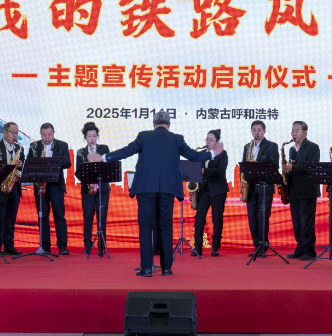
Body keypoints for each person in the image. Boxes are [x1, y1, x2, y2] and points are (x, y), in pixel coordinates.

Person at [88, 110, 219, 277]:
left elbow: (126, 151)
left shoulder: (144, 136)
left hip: (146, 188)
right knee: (166, 227)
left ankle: (147, 268)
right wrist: (213, 153)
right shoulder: (177, 138)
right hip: (167, 189)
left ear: (153, 123)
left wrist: (103, 157)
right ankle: (166, 268)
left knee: (146, 227)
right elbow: (193, 156)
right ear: (169, 125)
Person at [28, 123, 72, 255]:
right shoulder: (34, 146)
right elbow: (29, 162)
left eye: (49, 134)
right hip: (40, 184)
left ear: (53, 133)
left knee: (59, 216)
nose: (47, 137)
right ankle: (45, 247)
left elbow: (67, 163)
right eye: (44, 135)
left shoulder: (62, 145)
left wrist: (52, 162)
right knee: (42, 217)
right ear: (40, 134)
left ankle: (62, 247)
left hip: (56, 184)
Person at [0, 122, 24, 255]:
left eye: (17, 132)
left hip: (14, 187)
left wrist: (21, 165)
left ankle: (9, 245)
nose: (15, 135)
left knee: (11, 219)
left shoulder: (19, 148)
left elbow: (23, 168)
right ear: (5, 132)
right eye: (13, 132)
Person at [283, 120, 321, 261]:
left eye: (297, 130)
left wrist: (293, 167)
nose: (294, 133)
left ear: (305, 132)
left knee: (306, 221)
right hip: (294, 189)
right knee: (297, 221)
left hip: (307, 190)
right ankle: (300, 248)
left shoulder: (313, 147)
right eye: (293, 130)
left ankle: (309, 251)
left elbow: (311, 166)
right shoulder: (292, 149)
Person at [242, 120, 278, 255]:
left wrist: (257, 164)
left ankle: (263, 246)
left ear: (264, 131)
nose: (256, 132)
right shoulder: (247, 146)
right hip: (251, 187)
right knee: (252, 218)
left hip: (265, 187)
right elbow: (243, 166)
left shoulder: (272, 146)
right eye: (254, 130)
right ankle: (256, 246)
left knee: (262, 217)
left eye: (259, 130)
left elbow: (274, 165)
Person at [75, 122, 111, 256]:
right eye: (89, 136)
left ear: (97, 136)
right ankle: (87, 245)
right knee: (88, 216)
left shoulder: (104, 149)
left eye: (94, 136)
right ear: (85, 137)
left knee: (102, 217)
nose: (92, 139)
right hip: (87, 189)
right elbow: (78, 172)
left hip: (102, 188)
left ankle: (102, 245)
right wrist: (88, 179)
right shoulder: (80, 152)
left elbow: (109, 165)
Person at [193, 128, 228, 257]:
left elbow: (220, 171)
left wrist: (204, 171)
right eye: (207, 139)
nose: (208, 142)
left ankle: (215, 247)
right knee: (199, 217)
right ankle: (197, 246)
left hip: (218, 189)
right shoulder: (202, 154)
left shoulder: (222, 154)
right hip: (204, 189)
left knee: (217, 218)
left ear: (217, 142)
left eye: (211, 140)